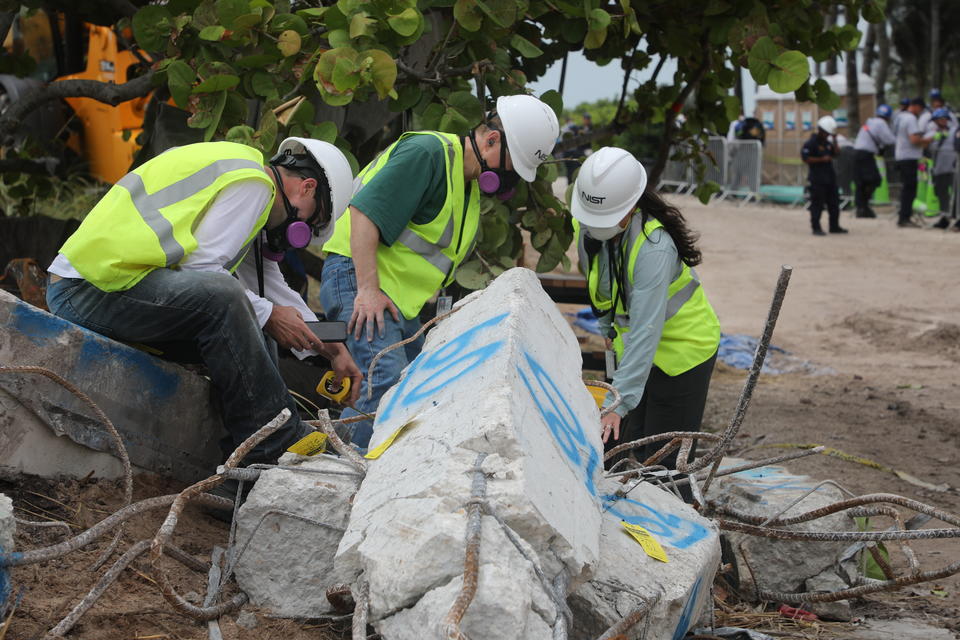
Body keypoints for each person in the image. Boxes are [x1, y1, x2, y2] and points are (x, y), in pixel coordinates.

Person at [46, 138, 363, 469]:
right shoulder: (253, 184)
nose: (304, 230)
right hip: (89, 290)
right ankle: (275, 444)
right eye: (315, 220)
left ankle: (245, 465)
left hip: (106, 289)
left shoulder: (245, 175)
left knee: (253, 321)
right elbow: (204, 273)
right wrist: (269, 316)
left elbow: (265, 283)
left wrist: (327, 345)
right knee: (229, 300)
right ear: (307, 189)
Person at [321, 94, 559, 448]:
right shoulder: (428, 154)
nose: (509, 177)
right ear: (491, 139)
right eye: (510, 165)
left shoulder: (469, 188)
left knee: (420, 389)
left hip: (398, 302)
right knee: (384, 384)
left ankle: (353, 461)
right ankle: (339, 471)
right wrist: (368, 290)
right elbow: (364, 214)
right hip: (359, 279)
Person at [570, 147, 720, 472]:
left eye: (606, 219)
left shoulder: (655, 249)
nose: (596, 226)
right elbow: (602, 285)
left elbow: (645, 331)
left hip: (683, 352)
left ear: (632, 205)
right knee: (629, 437)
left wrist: (616, 402)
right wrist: (608, 330)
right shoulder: (591, 223)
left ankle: (671, 513)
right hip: (633, 347)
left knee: (662, 456)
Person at [801, 115, 847, 235]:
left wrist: (835, 139)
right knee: (817, 204)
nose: (827, 135)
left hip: (830, 178)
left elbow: (836, 154)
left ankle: (834, 226)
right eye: (827, 133)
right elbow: (805, 159)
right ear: (820, 130)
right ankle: (816, 227)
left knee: (834, 203)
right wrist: (821, 159)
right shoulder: (810, 143)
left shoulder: (827, 143)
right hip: (817, 179)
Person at [852, 104, 896, 218]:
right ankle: (863, 206)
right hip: (865, 154)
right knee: (874, 180)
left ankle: (861, 207)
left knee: (861, 182)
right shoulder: (881, 123)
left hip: (857, 153)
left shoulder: (870, 122)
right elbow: (890, 139)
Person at [895, 98, 932, 228]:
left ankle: (904, 215)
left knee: (907, 188)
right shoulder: (910, 118)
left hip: (901, 155)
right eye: (921, 109)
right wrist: (928, 140)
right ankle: (904, 217)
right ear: (916, 107)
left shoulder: (900, 117)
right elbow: (914, 139)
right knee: (910, 189)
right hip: (909, 157)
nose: (920, 112)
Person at [927, 108, 959, 229]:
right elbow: (927, 147)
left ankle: (958, 218)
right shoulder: (932, 133)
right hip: (939, 168)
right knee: (942, 194)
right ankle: (944, 218)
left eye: (942, 119)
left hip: (953, 168)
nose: (940, 122)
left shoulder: (954, 131)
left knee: (957, 194)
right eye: (937, 120)